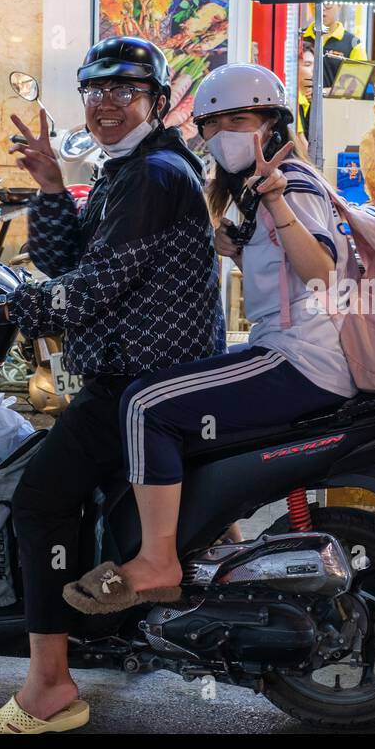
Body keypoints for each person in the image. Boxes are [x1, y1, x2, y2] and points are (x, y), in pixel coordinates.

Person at [0, 37, 225, 733]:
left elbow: (92, 289)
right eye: (95, 90)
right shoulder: (126, 170)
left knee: (40, 500)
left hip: (139, 381)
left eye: (124, 91)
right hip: (129, 371)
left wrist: (0, 311)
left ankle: (48, 685)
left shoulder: (153, 175)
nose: (105, 102)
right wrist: (48, 182)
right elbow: (69, 257)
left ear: (156, 102)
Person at [58, 63, 354, 613]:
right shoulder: (251, 193)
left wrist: (278, 202)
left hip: (301, 359)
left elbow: (322, 271)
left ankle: (157, 561)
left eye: (239, 119)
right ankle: (224, 540)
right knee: (183, 408)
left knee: (145, 403)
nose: (224, 136)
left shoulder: (293, 186)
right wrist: (234, 243)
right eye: (213, 126)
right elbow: (281, 272)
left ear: (273, 122)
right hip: (289, 351)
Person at [300, 3, 367, 89]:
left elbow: (357, 86)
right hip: (298, 102)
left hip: (335, 102)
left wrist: (323, 93)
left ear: (339, 5)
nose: (322, 8)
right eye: (315, 3)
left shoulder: (353, 44)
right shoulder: (299, 37)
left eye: (327, 4)